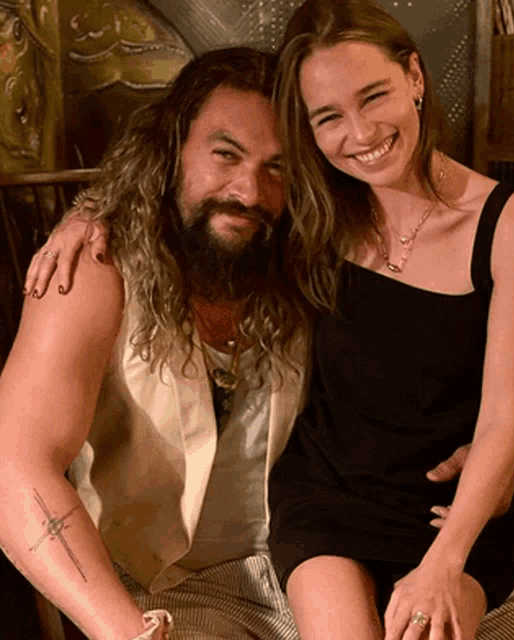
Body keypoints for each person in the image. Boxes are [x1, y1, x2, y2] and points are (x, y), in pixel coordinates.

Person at [0, 46, 474, 640]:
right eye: (226, 155)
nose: (249, 191)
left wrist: (489, 455)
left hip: (320, 568)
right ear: (172, 150)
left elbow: (439, 378)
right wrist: (125, 631)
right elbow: (14, 464)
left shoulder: (317, 260)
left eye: (277, 168)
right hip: (155, 590)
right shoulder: (94, 265)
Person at [265, 1, 514, 639]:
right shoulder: (314, 211)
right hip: (326, 497)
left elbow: (503, 426)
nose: (361, 133)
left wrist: (444, 563)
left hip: (451, 519)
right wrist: (89, 213)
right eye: (329, 117)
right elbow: (181, 192)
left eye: (375, 96)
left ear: (415, 78)